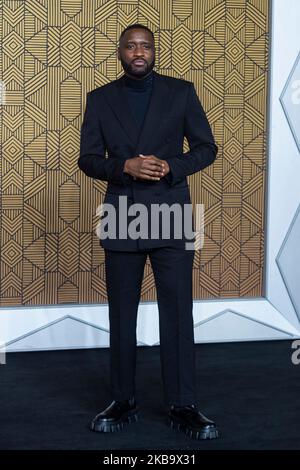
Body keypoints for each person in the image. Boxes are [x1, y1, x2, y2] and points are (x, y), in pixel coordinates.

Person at [78, 23, 219, 440]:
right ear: (120, 53)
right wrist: (124, 166)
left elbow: (206, 147)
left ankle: (183, 404)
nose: (138, 51)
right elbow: (88, 159)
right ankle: (123, 400)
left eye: (145, 45)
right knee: (122, 314)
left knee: (177, 313)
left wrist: (171, 166)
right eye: (130, 46)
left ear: (154, 51)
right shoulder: (99, 100)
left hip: (171, 212)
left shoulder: (181, 92)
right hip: (121, 213)